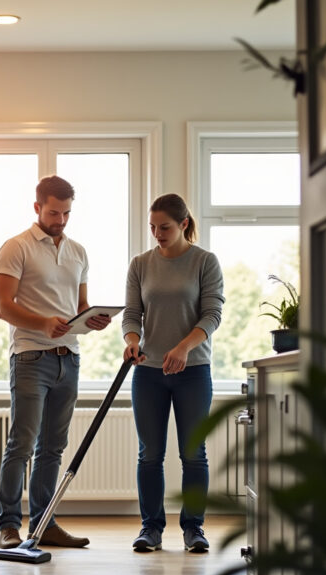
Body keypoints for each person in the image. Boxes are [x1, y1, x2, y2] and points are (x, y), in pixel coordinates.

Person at [0, 175, 111, 550]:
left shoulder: (78, 252)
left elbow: (79, 307)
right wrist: (43, 323)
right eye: (54, 213)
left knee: (53, 448)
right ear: (37, 208)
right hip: (31, 357)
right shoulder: (16, 248)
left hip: (69, 359)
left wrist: (92, 320)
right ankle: (9, 526)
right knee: (22, 445)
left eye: (66, 213)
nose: (60, 220)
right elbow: (3, 306)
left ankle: (44, 524)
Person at [121, 193, 224, 553]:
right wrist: (132, 340)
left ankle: (194, 528)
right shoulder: (140, 264)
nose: (157, 234)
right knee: (150, 454)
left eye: (164, 227)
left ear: (183, 224)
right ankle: (151, 528)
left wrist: (183, 348)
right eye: (152, 227)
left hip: (193, 371)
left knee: (193, 454)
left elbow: (212, 315)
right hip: (148, 373)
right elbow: (132, 314)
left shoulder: (204, 262)